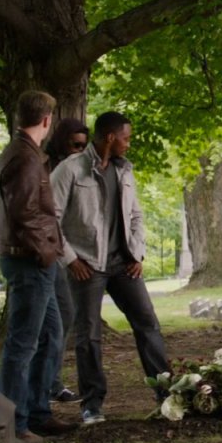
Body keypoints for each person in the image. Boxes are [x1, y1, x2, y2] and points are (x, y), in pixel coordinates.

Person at [51, 111, 172, 425]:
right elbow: (49, 219)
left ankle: (166, 394)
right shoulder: (69, 170)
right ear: (110, 137)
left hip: (124, 265)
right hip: (86, 266)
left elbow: (135, 217)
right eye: (126, 138)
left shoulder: (125, 171)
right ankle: (92, 405)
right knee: (88, 335)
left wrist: (138, 254)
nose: (128, 144)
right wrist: (71, 260)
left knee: (148, 324)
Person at [0, 91, 80, 443]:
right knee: (22, 343)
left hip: (33, 258)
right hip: (30, 261)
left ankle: (38, 413)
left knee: (52, 333)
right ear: (47, 120)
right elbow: (25, 213)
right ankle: (12, 424)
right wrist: (48, 252)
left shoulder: (24, 153)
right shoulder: (25, 159)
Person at [43, 118, 90, 404]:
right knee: (57, 318)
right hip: (52, 253)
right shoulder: (50, 169)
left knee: (64, 316)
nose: (78, 151)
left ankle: (51, 382)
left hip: (68, 250)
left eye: (83, 146)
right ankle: (49, 384)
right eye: (74, 145)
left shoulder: (81, 170)